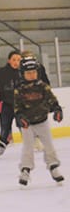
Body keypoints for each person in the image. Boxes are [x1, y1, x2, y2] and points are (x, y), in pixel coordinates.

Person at [13, 55, 63, 187]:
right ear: (22, 74)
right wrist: (20, 117)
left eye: (34, 72)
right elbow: (17, 107)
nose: (31, 75)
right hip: (28, 124)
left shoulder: (42, 86)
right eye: (28, 73)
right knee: (28, 148)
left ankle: (53, 166)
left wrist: (57, 109)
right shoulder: (20, 89)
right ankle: (25, 169)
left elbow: (51, 100)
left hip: (42, 121)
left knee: (49, 146)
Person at [0, 50, 22, 157]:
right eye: (14, 60)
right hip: (7, 105)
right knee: (4, 126)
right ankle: (2, 145)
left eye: (18, 60)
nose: (16, 62)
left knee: (22, 124)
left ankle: (31, 143)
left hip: (20, 105)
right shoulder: (3, 72)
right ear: (9, 60)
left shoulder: (23, 73)